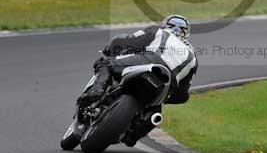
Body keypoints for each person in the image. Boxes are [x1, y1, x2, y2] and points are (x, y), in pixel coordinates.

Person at [76, 15, 198, 145]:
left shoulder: (157, 31)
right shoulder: (193, 57)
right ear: (186, 33)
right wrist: (168, 97)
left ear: (165, 25)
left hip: (148, 60)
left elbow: (127, 41)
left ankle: (98, 89)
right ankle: (134, 135)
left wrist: (111, 50)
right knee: (155, 110)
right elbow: (182, 95)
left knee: (104, 63)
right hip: (167, 82)